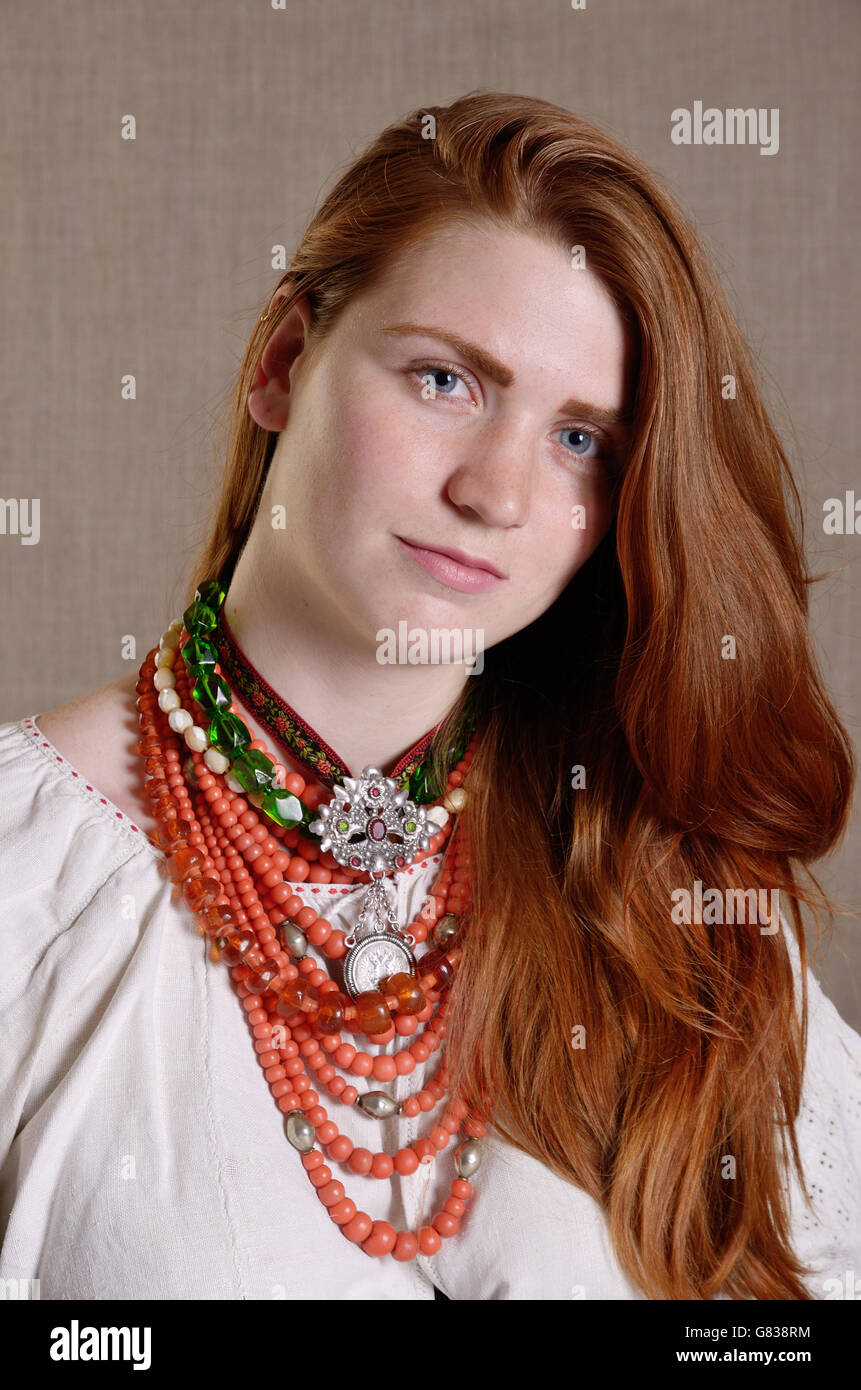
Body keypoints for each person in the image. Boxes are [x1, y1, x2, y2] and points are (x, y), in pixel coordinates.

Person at [1, 90, 858, 1302]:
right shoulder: (24, 883)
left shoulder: (665, 888)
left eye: (580, 441)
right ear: (284, 362)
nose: (498, 492)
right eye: (447, 380)